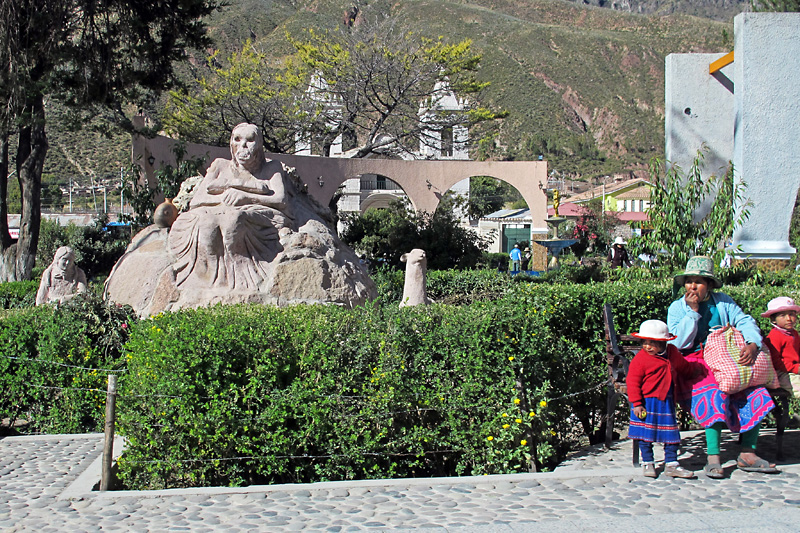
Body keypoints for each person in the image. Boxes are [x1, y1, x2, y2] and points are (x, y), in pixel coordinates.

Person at [667, 256, 779, 478]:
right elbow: (679, 343)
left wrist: (752, 343)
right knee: (714, 392)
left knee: (756, 391)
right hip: (695, 364)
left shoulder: (723, 302)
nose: (692, 286)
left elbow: (744, 321)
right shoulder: (677, 308)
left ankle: (748, 453)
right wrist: (692, 311)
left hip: (727, 360)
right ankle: (713, 457)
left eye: (698, 281)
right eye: (689, 281)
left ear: (708, 285)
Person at [168, 123, 295, 291]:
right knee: (207, 224)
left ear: (259, 145)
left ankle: (244, 279)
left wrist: (245, 196)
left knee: (234, 220)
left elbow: (280, 199)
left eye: (250, 140)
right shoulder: (220, 165)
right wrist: (229, 190)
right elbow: (197, 200)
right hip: (216, 211)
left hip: (255, 213)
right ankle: (206, 278)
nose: (243, 145)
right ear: (231, 144)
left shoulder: (272, 167)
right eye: (237, 140)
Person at [627, 319, 698, 479]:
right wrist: (637, 404)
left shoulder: (672, 353)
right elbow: (632, 382)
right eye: (645, 342)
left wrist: (696, 371)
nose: (647, 346)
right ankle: (648, 462)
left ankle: (672, 464)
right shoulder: (640, 359)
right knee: (645, 435)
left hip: (666, 401)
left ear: (665, 342)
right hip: (646, 403)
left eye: (653, 343)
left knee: (671, 434)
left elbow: (683, 367)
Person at [762, 297, 800, 398]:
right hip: (781, 373)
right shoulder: (775, 336)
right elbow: (776, 362)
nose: (789, 318)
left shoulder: (794, 334)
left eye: (791, 314)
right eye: (783, 315)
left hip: (794, 369)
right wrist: (795, 368)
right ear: (773, 320)